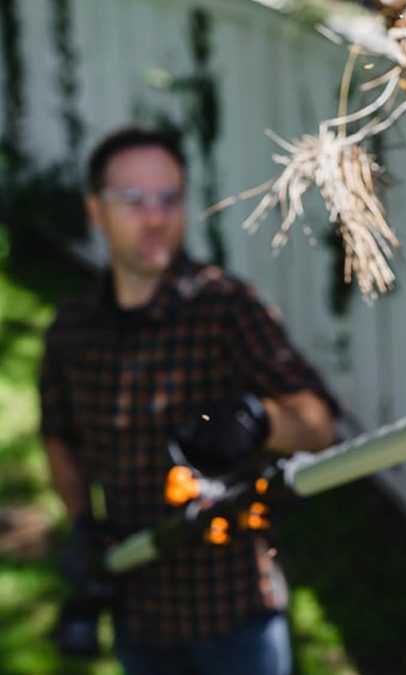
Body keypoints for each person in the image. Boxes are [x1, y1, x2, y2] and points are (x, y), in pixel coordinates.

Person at [38, 127, 338, 675]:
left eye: (169, 198)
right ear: (96, 211)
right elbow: (59, 435)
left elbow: (318, 425)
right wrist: (82, 522)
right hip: (140, 610)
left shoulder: (224, 306)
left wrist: (259, 420)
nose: (155, 217)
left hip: (235, 609)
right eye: (133, 200)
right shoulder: (72, 331)